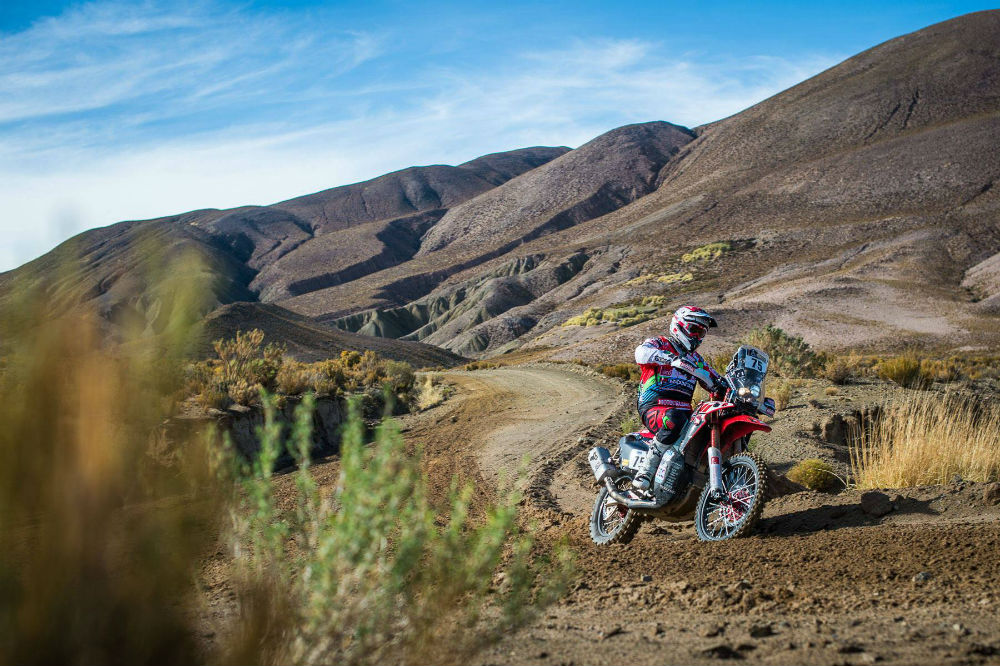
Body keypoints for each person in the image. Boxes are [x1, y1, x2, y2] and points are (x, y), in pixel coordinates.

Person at [631, 305, 726, 495]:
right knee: (674, 419)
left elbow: (714, 379)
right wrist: (669, 359)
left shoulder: (697, 360)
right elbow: (640, 353)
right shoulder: (660, 343)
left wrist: (734, 388)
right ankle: (645, 472)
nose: (698, 337)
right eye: (695, 330)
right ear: (679, 326)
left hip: (685, 413)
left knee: (707, 429)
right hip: (654, 406)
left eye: (702, 333)